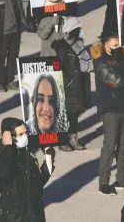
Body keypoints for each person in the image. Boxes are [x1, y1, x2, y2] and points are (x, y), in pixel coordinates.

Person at [91, 33, 124, 195]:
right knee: (110, 145)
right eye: (114, 45)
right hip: (111, 109)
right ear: (106, 46)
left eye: (118, 45)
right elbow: (117, 81)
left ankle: (122, 179)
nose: (117, 48)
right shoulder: (101, 62)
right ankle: (104, 182)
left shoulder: (123, 58)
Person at [0, 117, 55, 222]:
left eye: (26, 133)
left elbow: (37, 183)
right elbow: (3, 177)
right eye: (20, 134)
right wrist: (8, 148)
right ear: (8, 136)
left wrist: (49, 161)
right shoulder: (2, 155)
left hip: (35, 215)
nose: (25, 137)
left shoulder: (27, 154)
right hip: (14, 217)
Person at [52, 17, 93, 151]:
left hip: (78, 85)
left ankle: (73, 139)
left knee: (74, 114)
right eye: (78, 28)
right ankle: (63, 140)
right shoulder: (63, 47)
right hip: (69, 87)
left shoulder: (79, 44)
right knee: (65, 114)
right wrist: (67, 82)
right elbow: (59, 68)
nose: (81, 30)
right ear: (72, 31)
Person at [0, 0, 26, 92]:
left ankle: (9, 79)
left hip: (17, 27)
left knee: (13, 56)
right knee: (1, 56)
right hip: (3, 29)